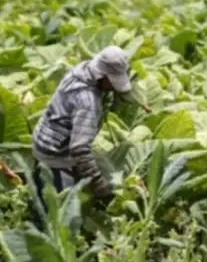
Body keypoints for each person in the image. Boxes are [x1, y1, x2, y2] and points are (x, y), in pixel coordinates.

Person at [29, 46, 134, 227]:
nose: (114, 87)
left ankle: (35, 219)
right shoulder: (88, 101)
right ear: (102, 77)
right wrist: (98, 181)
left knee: (42, 198)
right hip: (56, 155)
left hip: (42, 139)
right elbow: (79, 148)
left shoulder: (80, 70)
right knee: (59, 216)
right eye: (113, 82)